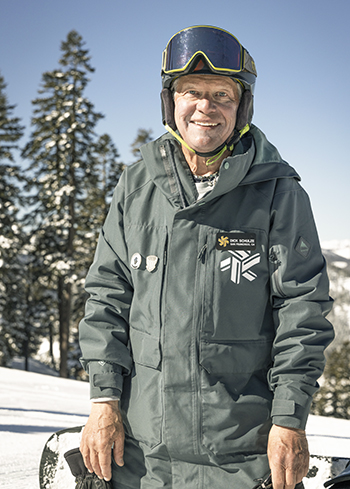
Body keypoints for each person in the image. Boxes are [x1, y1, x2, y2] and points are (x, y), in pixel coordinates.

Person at [78, 25, 334, 489]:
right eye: (191, 92)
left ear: (242, 107)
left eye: (222, 94)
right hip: (140, 457)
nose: (205, 107)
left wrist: (290, 419)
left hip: (242, 459)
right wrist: (104, 401)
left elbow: (302, 311)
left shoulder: (278, 193)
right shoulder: (136, 189)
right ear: (170, 102)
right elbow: (106, 300)